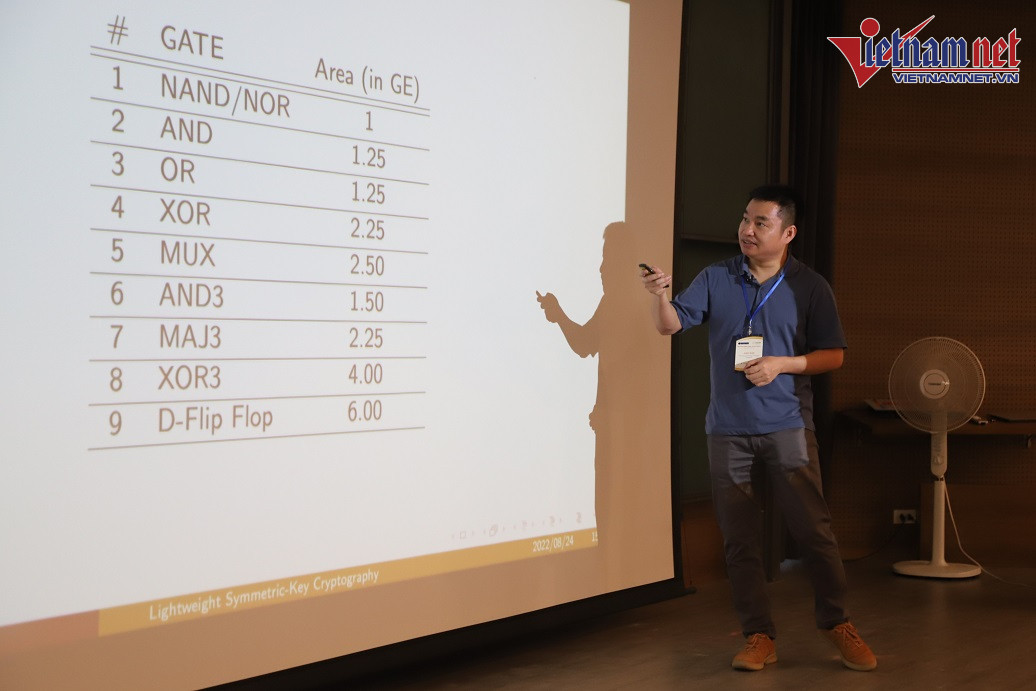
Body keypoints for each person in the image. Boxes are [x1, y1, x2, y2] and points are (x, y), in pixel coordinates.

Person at [641, 185, 876, 672]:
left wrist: (781, 364)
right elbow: (669, 326)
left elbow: (834, 355)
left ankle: (837, 622)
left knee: (814, 531)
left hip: (788, 426)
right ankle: (758, 635)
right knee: (738, 539)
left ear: (787, 233)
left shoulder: (809, 286)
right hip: (727, 430)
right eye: (745, 219)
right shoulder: (717, 276)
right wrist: (660, 296)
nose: (747, 230)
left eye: (760, 223)